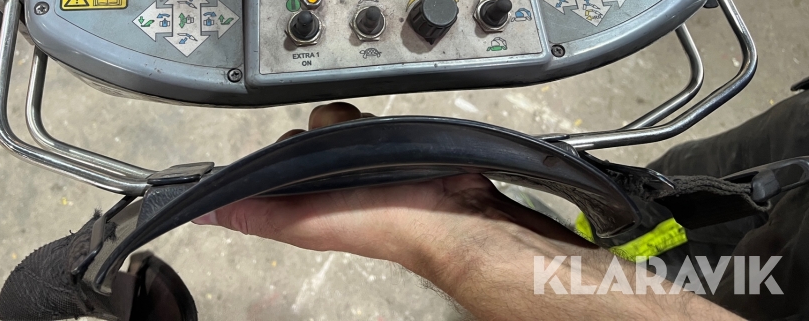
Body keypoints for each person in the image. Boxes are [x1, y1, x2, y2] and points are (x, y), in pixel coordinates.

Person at [194, 102, 745, 320]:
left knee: (728, 275)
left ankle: (563, 267)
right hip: (783, 178)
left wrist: (468, 240)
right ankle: (592, 245)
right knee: (671, 200)